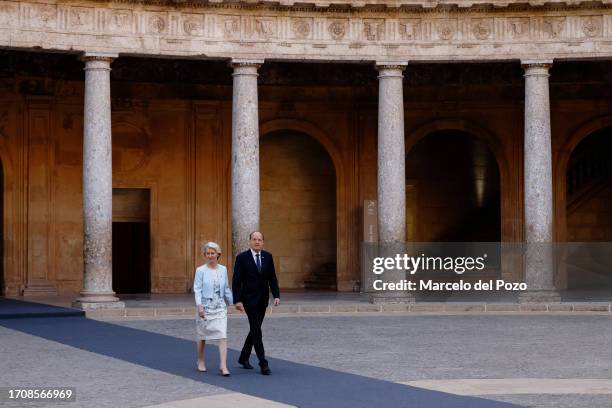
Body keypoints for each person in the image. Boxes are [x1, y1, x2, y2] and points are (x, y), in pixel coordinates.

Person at [232, 231, 280, 375]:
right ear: (250, 241)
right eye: (254, 239)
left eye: (259, 239)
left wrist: (276, 295)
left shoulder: (268, 256)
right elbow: (236, 281)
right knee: (257, 330)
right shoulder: (242, 258)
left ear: (263, 242)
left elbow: (272, 277)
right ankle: (263, 363)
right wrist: (237, 300)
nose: (257, 242)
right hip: (249, 300)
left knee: (255, 328)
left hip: (263, 299)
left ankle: (243, 357)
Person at [193, 241, 233, 377]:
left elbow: (226, 288)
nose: (210, 256)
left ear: (218, 254)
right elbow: (197, 289)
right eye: (208, 253)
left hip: (220, 306)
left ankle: (223, 365)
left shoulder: (223, 269)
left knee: (222, 335)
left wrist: (233, 302)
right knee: (202, 336)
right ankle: (201, 360)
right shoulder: (200, 270)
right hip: (205, 306)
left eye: (212, 253)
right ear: (205, 255)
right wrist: (199, 306)